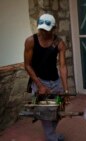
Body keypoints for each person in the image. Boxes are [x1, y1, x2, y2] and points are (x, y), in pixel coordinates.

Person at [24, 13, 68, 141]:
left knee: (59, 109)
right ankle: (51, 137)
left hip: (55, 81)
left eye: (46, 30)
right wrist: (39, 85)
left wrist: (65, 90)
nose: (43, 32)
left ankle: (51, 133)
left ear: (54, 28)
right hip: (40, 81)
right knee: (45, 112)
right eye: (41, 29)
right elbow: (27, 65)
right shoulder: (30, 41)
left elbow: (63, 66)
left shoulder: (59, 43)